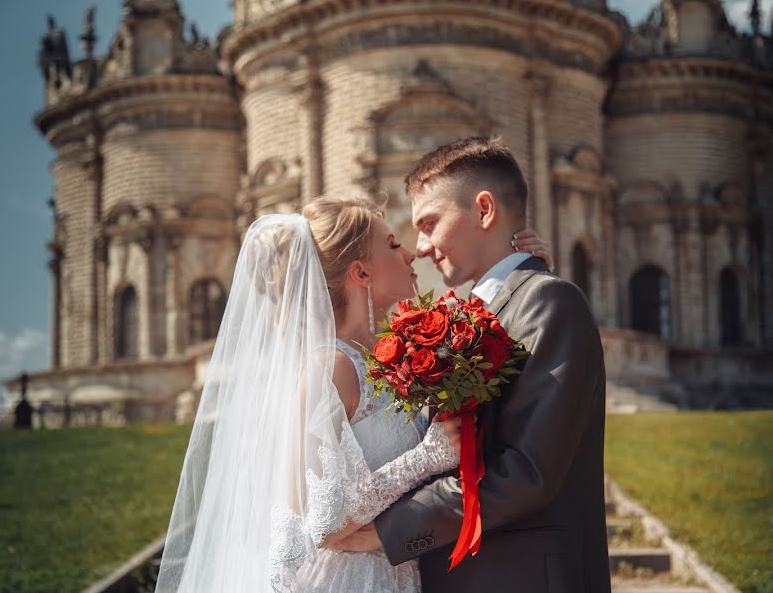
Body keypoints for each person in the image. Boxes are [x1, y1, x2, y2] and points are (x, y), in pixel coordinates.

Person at [154, 195, 553, 592]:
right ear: (361, 273)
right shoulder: (329, 368)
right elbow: (320, 519)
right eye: (394, 246)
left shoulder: (390, 359)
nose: (412, 254)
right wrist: (426, 457)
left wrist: (522, 270)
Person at [336, 137, 611, 593]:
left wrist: (389, 531)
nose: (420, 247)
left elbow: (527, 472)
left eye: (429, 223)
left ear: (485, 210)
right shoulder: (486, 309)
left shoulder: (547, 301)